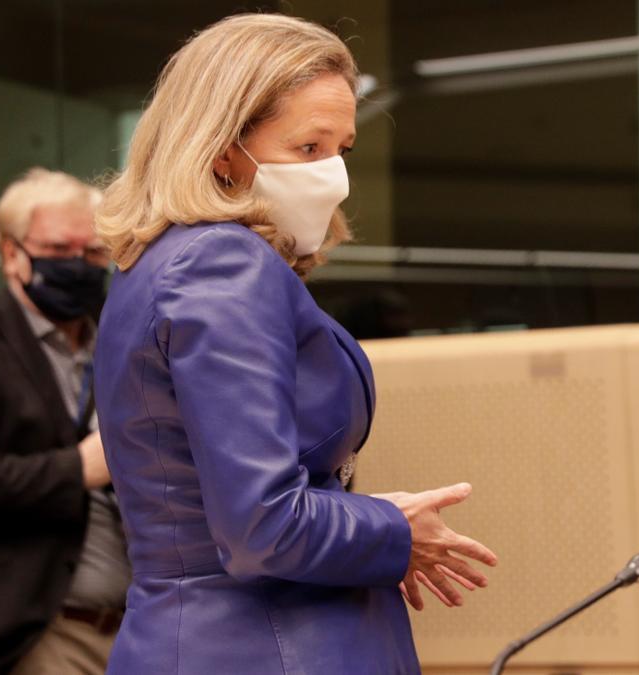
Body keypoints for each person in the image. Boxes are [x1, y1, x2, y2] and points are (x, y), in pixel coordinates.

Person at [93, 14, 496, 674]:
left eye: (343, 148)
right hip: (262, 644)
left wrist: (362, 520)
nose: (333, 174)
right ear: (221, 148)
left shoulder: (156, 263)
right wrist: (392, 531)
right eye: (309, 148)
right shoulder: (221, 266)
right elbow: (263, 528)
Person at [0, 168, 128, 675]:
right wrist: (78, 469)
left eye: (92, 253)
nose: (80, 267)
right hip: (40, 630)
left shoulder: (120, 337)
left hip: (144, 623)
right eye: (61, 251)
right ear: (13, 251)